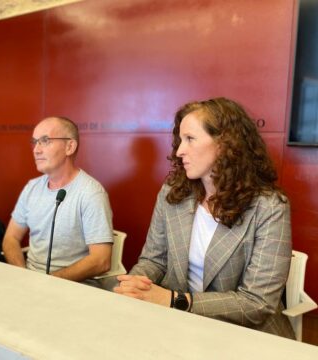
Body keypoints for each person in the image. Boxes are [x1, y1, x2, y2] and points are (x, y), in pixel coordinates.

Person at [114, 98, 294, 338]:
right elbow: (154, 260)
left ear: (225, 143)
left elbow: (257, 303)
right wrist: (135, 284)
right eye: (180, 140)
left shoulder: (269, 207)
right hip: (178, 326)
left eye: (190, 139)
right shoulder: (172, 192)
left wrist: (174, 300)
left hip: (247, 335)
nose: (179, 151)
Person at [2, 116, 113, 286]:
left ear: (69, 146)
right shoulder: (32, 187)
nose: (36, 150)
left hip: (72, 286)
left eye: (45, 141)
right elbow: (10, 238)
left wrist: (48, 282)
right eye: (34, 142)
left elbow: (101, 260)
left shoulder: (91, 193)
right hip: (28, 282)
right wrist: (23, 276)